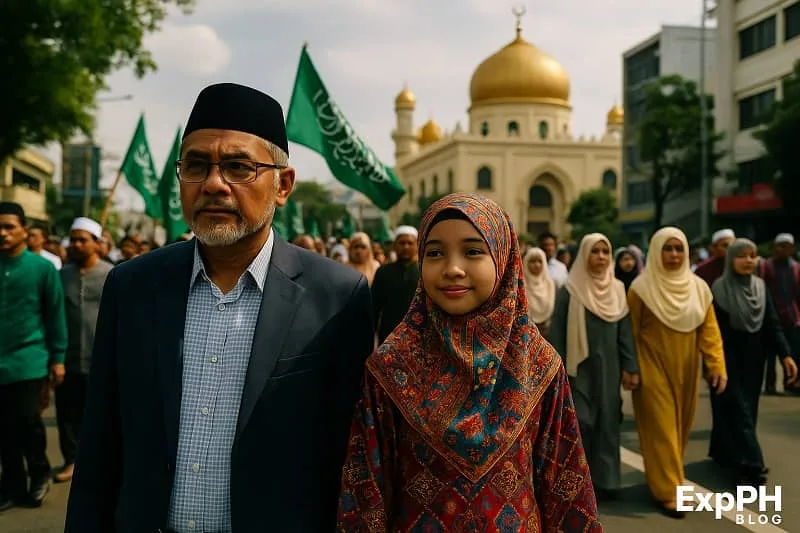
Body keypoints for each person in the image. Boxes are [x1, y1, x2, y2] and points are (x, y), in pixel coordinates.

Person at [64, 83, 375, 533]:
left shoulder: (336, 296)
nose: (213, 183)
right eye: (196, 166)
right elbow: (99, 446)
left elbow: (346, 456)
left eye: (237, 166)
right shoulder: (132, 286)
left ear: (283, 184)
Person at [337, 193, 601, 532]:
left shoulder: (537, 363)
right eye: (434, 253)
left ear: (503, 258)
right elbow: (366, 493)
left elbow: (565, 487)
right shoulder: (391, 367)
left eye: (473, 251)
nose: (453, 268)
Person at [627, 227, 727, 519]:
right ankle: (669, 493)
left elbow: (710, 332)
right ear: (656, 251)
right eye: (667, 249)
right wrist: (630, 368)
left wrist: (716, 364)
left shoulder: (699, 288)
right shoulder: (641, 289)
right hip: (651, 366)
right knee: (662, 429)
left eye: (678, 249)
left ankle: (666, 478)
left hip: (687, 367)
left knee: (680, 428)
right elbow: (630, 332)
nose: (673, 255)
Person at [549, 233, 639, 501]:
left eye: (605, 252)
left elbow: (625, 333)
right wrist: (557, 371)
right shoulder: (570, 290)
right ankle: (579, 482)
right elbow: (557, 335)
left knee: (609, 422)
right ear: (584, 254)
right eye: (595, 251)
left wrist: (631, 366)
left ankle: (607, 480)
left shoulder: (618, 290)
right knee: (581, 423)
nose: (600, 257)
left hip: (609, 368)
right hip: (578, 371)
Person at [709, 238, 798, 485]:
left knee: (747, 409)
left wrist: (785, 355)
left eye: (753, 255)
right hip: (726, 360)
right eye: (742, 256)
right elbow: (712, 331)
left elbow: (772, 324)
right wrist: (712, 362)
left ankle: (724, 453)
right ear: (731, 259)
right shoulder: (719, 289)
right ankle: (753, 463)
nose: (749, 260)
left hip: (754, 360)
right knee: (738, 410)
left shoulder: (760, 287)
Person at [0, 202, 67, 511]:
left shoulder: (42, 268)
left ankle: (39, 473)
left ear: (25, 230)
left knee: (27, 422)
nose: (3, 233)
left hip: (30, 360)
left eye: (9, 227)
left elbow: (55, 315)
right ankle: (12, 486)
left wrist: (58, 358)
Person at [54, 217, 114, 483]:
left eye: (83, 239)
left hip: (100, 359)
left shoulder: (112, 274)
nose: (76, 244)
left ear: (96, 243)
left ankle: (100, 462)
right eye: (73, 239)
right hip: (67, 359)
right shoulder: (61, 275)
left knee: (101, 413)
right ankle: (71, 461)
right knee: (67, 415)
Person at [757, 233, 800, 394]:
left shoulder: (796, 267)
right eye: (781, 246)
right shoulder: (766, 266)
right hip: (771, 316)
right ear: (775, 248)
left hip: (792, 316)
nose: (784, 249)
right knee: (769, 354)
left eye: (787, 246)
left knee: (792, 352)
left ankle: (791, 382)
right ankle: (770, 385)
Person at [371, 225, 420, 343]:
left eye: (410, 243)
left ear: (417, 245)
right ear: (394, 245)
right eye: (402, 243)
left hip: (419, 335)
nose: (406, 246)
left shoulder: (425, 271)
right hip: (389, 336)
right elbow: (374, 307)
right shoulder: (383, 272)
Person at [522, 246, 556, 337]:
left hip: (549, 332)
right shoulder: (520, 285)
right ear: (526, 263)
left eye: (540, 261)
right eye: (532, 261)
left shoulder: (550, 284)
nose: (537, 265)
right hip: (526, 333)